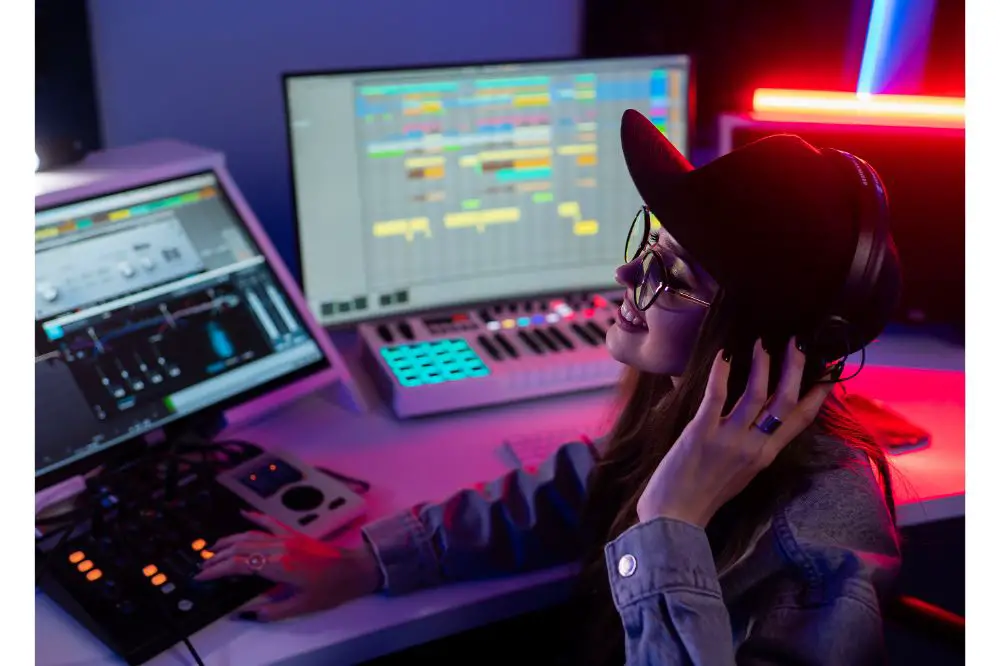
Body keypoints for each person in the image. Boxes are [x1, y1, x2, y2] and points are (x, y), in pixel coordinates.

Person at [197, 109, 902, 665]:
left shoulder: (821, 552)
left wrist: (670, 523)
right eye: (651, 245)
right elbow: (571, 492)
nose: (629, 278)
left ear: (766, 340)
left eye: (679, 277)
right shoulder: (695, 424)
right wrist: (360, 563)